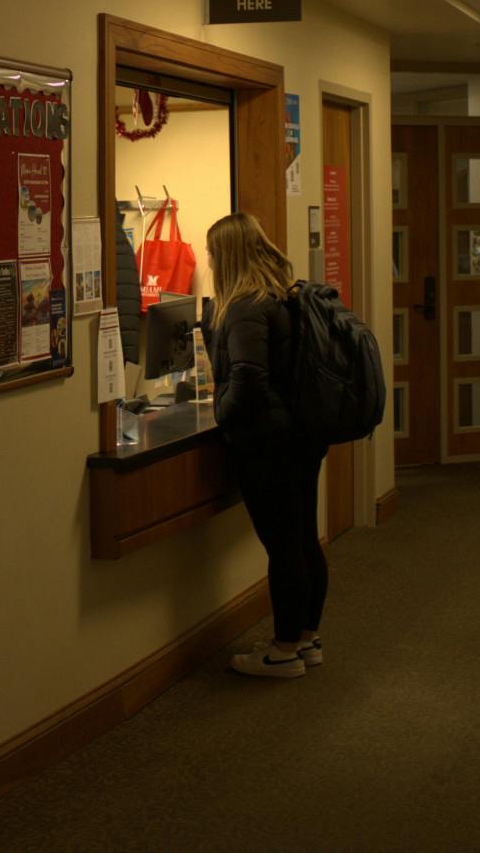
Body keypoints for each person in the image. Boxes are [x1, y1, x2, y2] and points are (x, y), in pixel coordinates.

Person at [204, 212, 326, 680]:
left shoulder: (242, 307)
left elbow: (249, 379)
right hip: (301, 434)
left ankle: (283, 650)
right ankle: (307, 638)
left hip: (269, 444)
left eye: (214, 253)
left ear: (228, 257)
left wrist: (222, 413)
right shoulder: (283, 295)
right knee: (303, 539)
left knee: (283, 546)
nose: (210, 261)